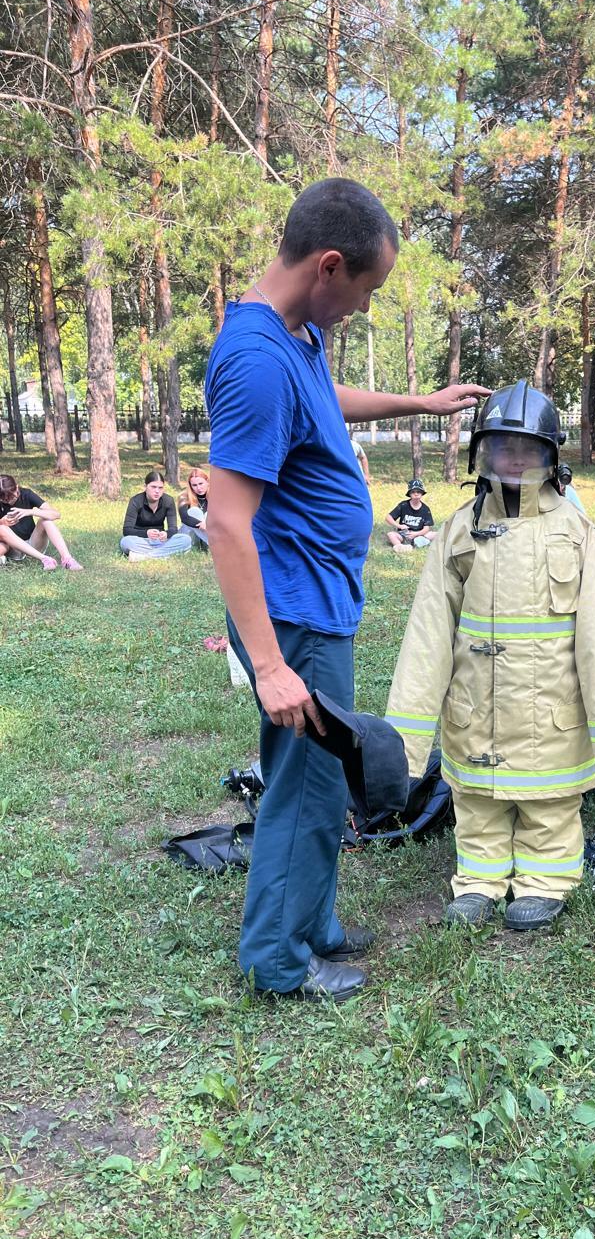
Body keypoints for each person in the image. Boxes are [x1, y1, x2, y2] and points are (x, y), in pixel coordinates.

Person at [204, 177, 488, 1004]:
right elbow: (226, 525)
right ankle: (278, 959)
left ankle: (315, 922)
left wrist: (417, 401)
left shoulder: (293, 336)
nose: (363, 309)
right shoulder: (258, 359)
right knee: (308, 781)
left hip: (317, 601)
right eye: (366, 291)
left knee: (320, 774)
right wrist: (270, 665)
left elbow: (322, 403)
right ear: (329, 266)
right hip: (290, 612)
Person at [385, 381, 595, 931]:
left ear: (551, 457)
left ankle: (545, 880)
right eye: (503, 448)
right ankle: (478, 880)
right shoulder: (458, 531)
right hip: (475, 709)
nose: (515, 460)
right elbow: (426, 641)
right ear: (483, 454)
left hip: (552, 715)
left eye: (528, 449)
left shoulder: (578, 534)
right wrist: (401, 747)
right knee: (476, 807)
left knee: (549, 808)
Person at [0, 474, 82, 570]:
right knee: (1, 528)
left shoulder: (26, 494)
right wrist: (2, 522)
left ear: (17, 487)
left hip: (33, 543)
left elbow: (56, 514)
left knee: (46, 520)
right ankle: (45, 559)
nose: (10, 502)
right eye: (5, 500)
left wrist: (30, 511)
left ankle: (67, 559)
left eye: (13, 497)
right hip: (11, 547)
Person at [120, 470, 193, 560]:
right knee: (126, 542)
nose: (157, 491)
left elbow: (173, 529)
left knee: (186, 539)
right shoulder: (135, 501)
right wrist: (146, 533)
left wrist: (166, 534)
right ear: (145, 486)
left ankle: (146, 556)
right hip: (142, 539)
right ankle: (164, 554)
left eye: (160, 488)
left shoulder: (168, 501)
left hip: (161, 540)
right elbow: (127, 530)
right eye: (153, 487)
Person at [386, 479, 435, 551]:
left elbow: (426, 528)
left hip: (419, 534)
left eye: (418, 492)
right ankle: (399, 546)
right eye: (413, 492)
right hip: (404, 534)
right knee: (391, 534)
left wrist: (416, 534)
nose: (416, 494)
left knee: (435, 534)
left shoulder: (425, 509)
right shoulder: (403, 505)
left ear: (422, 493)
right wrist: (399, 526)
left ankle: (418, 542)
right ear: (409, 494)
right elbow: (388, 517)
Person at [179, 467, 211, 548]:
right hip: (189, 535)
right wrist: (203, 525)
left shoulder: (215, 496)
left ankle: (208, 545)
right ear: (190, 486)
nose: (198, 488)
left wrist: (208, 524)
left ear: (207, 482)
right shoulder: (184, 496)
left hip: (209, 532)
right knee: (194, 511)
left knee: (209, 514)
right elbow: (184, 518)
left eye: (201, 483)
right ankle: (214, 546)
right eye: (194, 485)